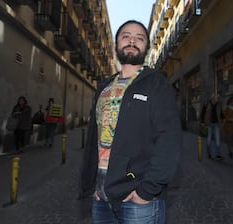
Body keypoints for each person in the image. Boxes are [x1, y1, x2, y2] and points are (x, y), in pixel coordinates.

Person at [79, 20, 182, 223]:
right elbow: (93, 141)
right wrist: (90, 186)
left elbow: (169, 142)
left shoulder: (157, 84)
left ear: (146, 47)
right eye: (126, 36)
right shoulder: (104, 88)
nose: (132, 40)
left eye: (140, 38)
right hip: (100, 197)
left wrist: (146, 191)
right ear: (116, 44)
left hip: (138, 200)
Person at [201, 94, 223, 160]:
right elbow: (202, 114)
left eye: (218, 98)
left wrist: (223, 119)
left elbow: (221, 114)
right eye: (217, 98)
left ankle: (218, 155)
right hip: (209, 124)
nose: (218, 100)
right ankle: (209, 153)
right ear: (212, 99)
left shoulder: (219, 105)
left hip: (216, 124)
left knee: (218, 140)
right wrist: (202, 122)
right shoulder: (207, 104)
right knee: (209, 139)